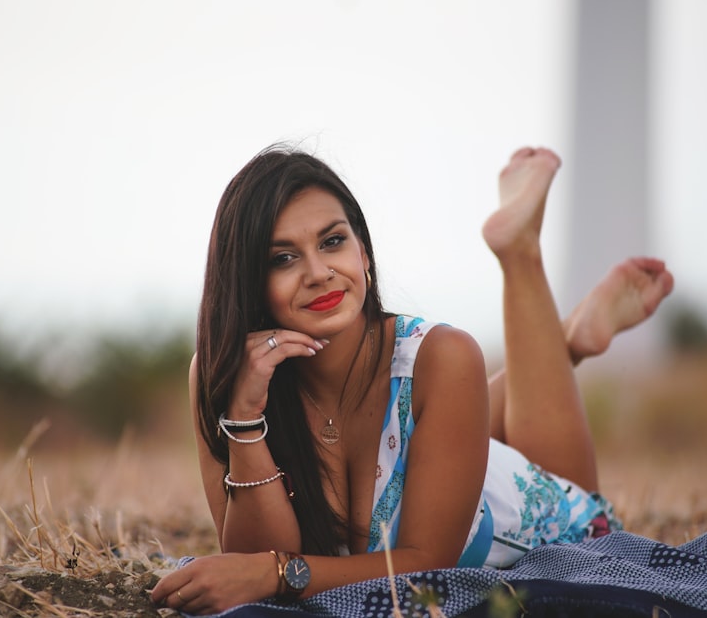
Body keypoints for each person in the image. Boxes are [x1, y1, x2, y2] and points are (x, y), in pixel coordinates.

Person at [151, 146, 675, 614]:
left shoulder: (442, 355)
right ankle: (563, 345)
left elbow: (426, 566)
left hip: (526, 518)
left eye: (332, 242)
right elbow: (249, 567)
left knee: (575, 497)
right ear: (246, 281)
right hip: (430, 427)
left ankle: (521, 256)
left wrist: (277, 573)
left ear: (364, 255)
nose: (317, 271)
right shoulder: (219, 373)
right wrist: (244, 419)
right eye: (283, 258)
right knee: (424, 407)